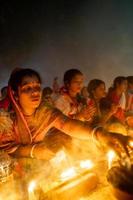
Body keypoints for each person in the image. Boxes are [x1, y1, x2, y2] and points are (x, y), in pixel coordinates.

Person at [0, 68, 132, 161]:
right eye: (27, 88)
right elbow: (6, 149)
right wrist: (33, 151)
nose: (35, 92)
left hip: (44, 159)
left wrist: (101, 135)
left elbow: (68, 125)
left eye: (37, 87)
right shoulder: (4, 119)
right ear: (15, 94)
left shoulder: (45, 111)